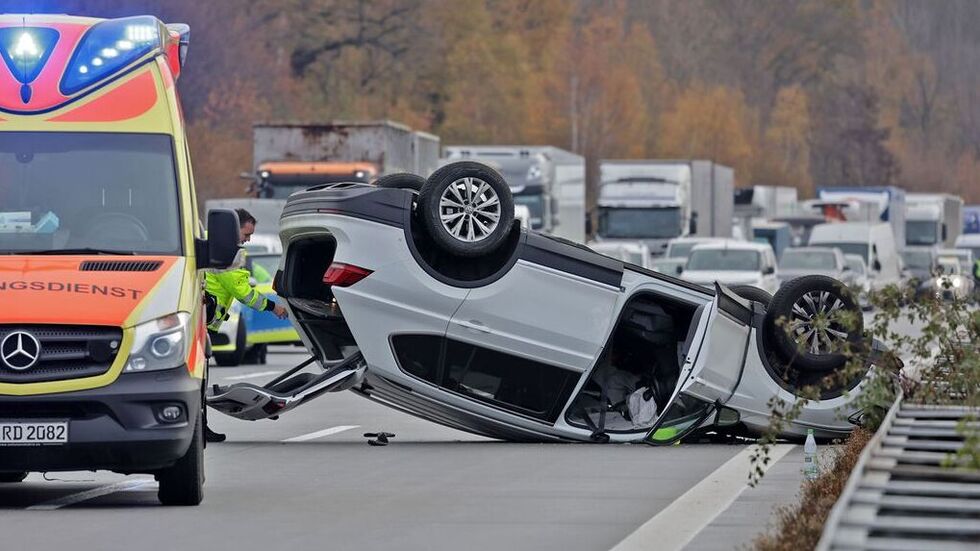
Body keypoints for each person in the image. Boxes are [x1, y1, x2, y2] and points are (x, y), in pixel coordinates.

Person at [203, 208, 287, 442]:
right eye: (246, 234)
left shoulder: (207, 239)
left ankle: (200, 428)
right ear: (232, 228)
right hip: (203, 320)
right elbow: (242, 292)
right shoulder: (228, 250)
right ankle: (201, 429)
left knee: (198, 378)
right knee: (200, 379)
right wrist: (273, 307)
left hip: (199, 316)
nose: (248, 239)